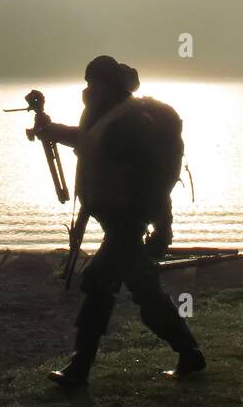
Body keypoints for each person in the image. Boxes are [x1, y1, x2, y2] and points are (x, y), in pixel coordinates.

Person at [40, 55, 206, 386]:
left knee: (98, 282)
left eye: (94, 83)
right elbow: (90, 142)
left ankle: (80, 368)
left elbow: (153, 177)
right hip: (114, 220)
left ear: (108, 85)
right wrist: (50, 130)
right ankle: (189, 354)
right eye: (88, 82)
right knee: (145, 291)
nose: (88, 89)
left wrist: (163, 227)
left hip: (127, 222)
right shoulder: (104, 114)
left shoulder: (132, 122)